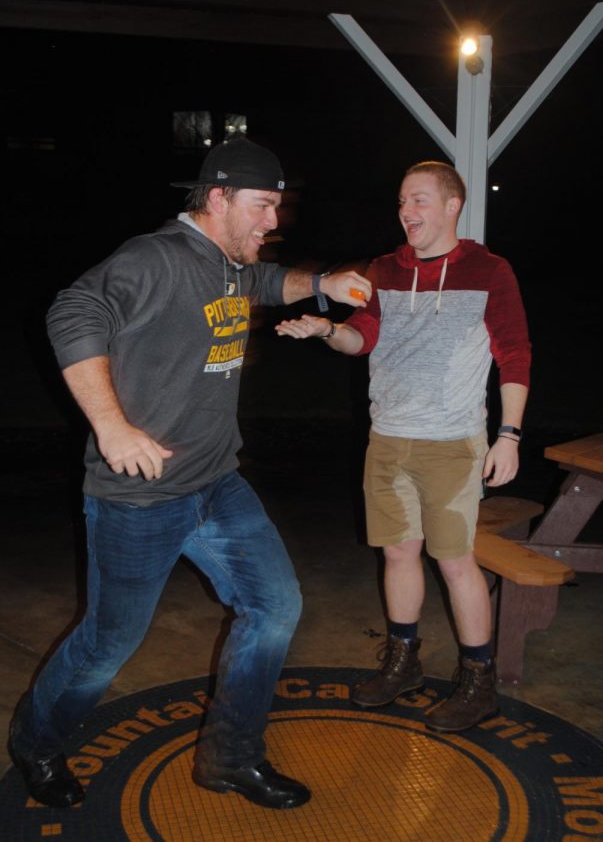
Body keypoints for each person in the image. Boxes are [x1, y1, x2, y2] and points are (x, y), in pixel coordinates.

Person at [8, 138, 372, 810]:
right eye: (262, 206)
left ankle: (230, 759)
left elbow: (266, 282)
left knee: (274, 607)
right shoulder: (156, 258)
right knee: (105, 645)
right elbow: (72, 312)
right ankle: (35, 742)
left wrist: (321, 284)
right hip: (139, 500)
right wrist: (111, 426)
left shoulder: (231, 265)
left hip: (217, 484)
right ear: (218, 199)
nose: (272, 221)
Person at [276, 160, 531, 733]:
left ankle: (478, 680)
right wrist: (326, 330)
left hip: (453, 443)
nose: (406, 213)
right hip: (387, 437)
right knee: (397, 554)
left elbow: (515, 353)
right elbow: (362, 336)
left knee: (455, 561)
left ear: (451, 205)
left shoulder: (490, 270)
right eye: (400, 202)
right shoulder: (384, 269)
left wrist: (509, 435)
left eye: (418, 201)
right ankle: (404, 661)